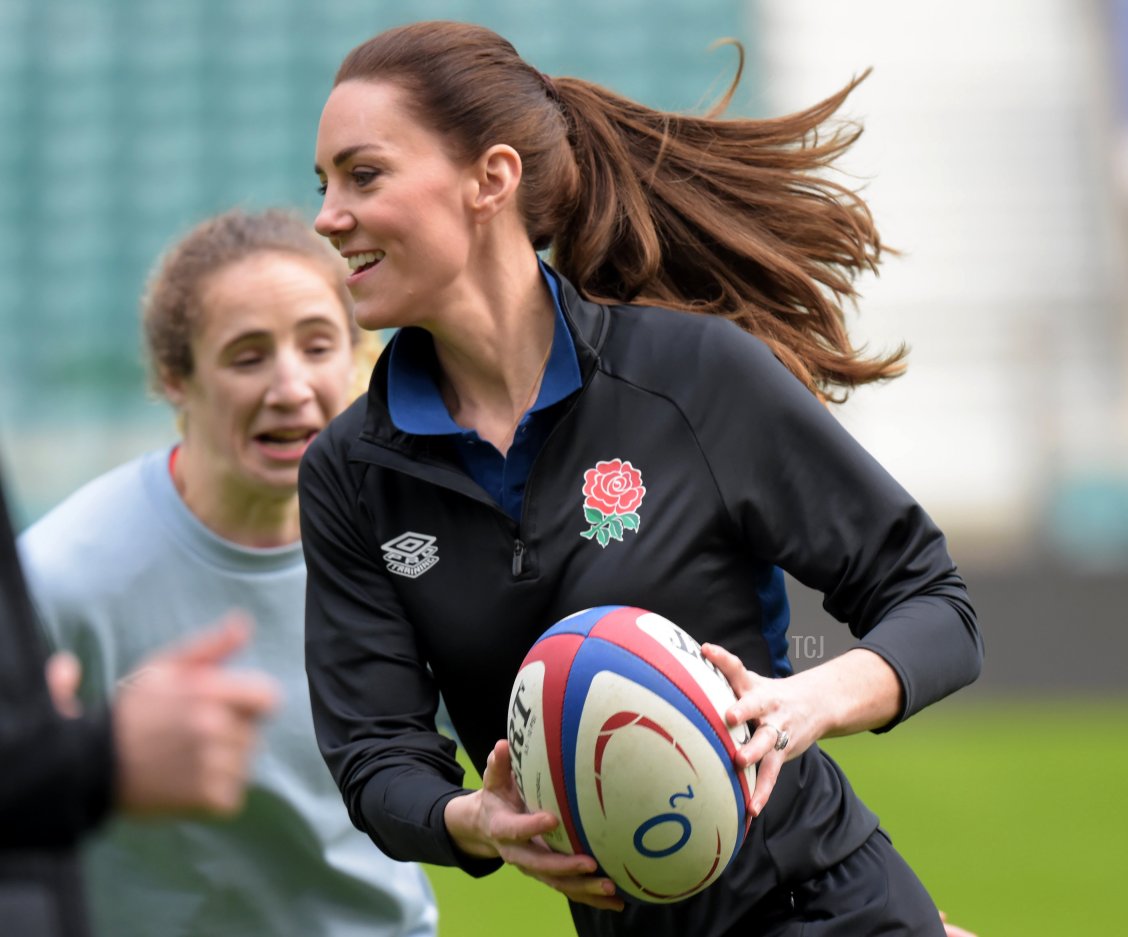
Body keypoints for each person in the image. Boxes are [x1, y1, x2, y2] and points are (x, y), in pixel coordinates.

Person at [301, 20, 983, 937]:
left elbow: (935, 604)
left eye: (363, 174)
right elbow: (376, 756)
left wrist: (804, 702)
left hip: (828, 902)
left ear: (490, 180)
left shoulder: (693, 375)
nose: (326, 216)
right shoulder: (350, 474)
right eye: (325, 184)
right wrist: (477, 820)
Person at [18, 209, 438, 937]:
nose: (290, 386)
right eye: (248, 356)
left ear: (356, 356)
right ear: (176, 378)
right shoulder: (62, 577)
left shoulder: (416, 541)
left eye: (317, 345)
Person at [1, 458, 279, 937]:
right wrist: (92, 757)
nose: (291, 391)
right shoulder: (61, 566)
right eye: (246, 373)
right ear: (173, 380)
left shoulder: (383, 523)